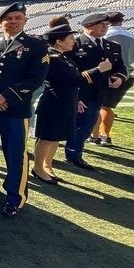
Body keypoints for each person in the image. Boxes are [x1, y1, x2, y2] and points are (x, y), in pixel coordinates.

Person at [0, 2, 48, 217]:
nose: (13, 22)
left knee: (15, 154)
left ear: (25, 20)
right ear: (1, 22)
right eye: (9, 18)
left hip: (15, 109)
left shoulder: (36, 46)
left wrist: (5, 96)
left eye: (18, 18)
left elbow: (36, 78)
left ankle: (15, 197)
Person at [32, 20, 104, 183]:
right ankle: (37, 168)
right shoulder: (52, 57)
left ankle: (46, 165)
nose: (74, 41)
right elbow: (69, 80)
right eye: (70, 38)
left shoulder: (63, 57)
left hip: (65, 102)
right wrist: (97, 70)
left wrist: (76, 99)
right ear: (59, 41)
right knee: (47, 138)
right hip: (54, 103)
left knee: (56, 137)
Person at [64, 12, 126, 170]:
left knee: (88, 124)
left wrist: (119, 77)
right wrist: (97, 70)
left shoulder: (112, 46)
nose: (105, 27)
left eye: (106, 24)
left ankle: (75, 152)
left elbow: (120, 67)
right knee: (79, 125)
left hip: (100, 92)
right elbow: (68, 71)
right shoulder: (74, 44)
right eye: (100, 24)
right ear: (87, 26)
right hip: (79, 92)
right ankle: (73, 154)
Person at [93, 11, 134, 144]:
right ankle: (105, 135)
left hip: (106, 74)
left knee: (97, 106)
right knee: (108, 107)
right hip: (127, 74)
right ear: (122, 21)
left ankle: (95, 135)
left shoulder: (105, 36)